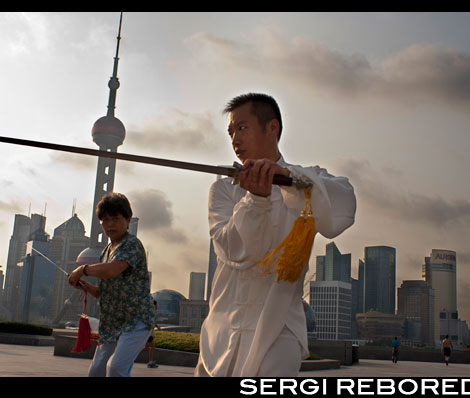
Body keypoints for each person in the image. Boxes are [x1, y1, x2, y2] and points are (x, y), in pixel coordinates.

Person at [195, 93, 356, 377]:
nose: (234, 139)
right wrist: (255, 201)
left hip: (279, 325)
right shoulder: (223, 189)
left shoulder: (306, 180)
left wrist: (290, 179)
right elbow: (232, 250)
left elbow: (340, 211)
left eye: (242, 128)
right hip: (223, 326)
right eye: (231, 131)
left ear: (273, 128)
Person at [68, 192, 156, 377]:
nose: (110, 224)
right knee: (96, 372)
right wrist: (86, 286)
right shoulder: (107, 250)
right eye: (105, 220)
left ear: (128, 219)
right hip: (113, 324)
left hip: (136, 320)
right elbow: (107, 293)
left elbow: (112, 270)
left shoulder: (131, 244)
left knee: (115, 368)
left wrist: (82, 270)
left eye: (115, 218)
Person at [143, 300, 162, 368]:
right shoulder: (150, 312)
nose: (157, 307)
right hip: (148, 333)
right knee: (151, 346)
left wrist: (157, 326)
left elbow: (153, 322)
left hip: (149, 333)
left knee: (148, 347)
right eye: (156, 305)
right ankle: (150, 362)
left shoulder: (151, 312)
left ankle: (150, 362)